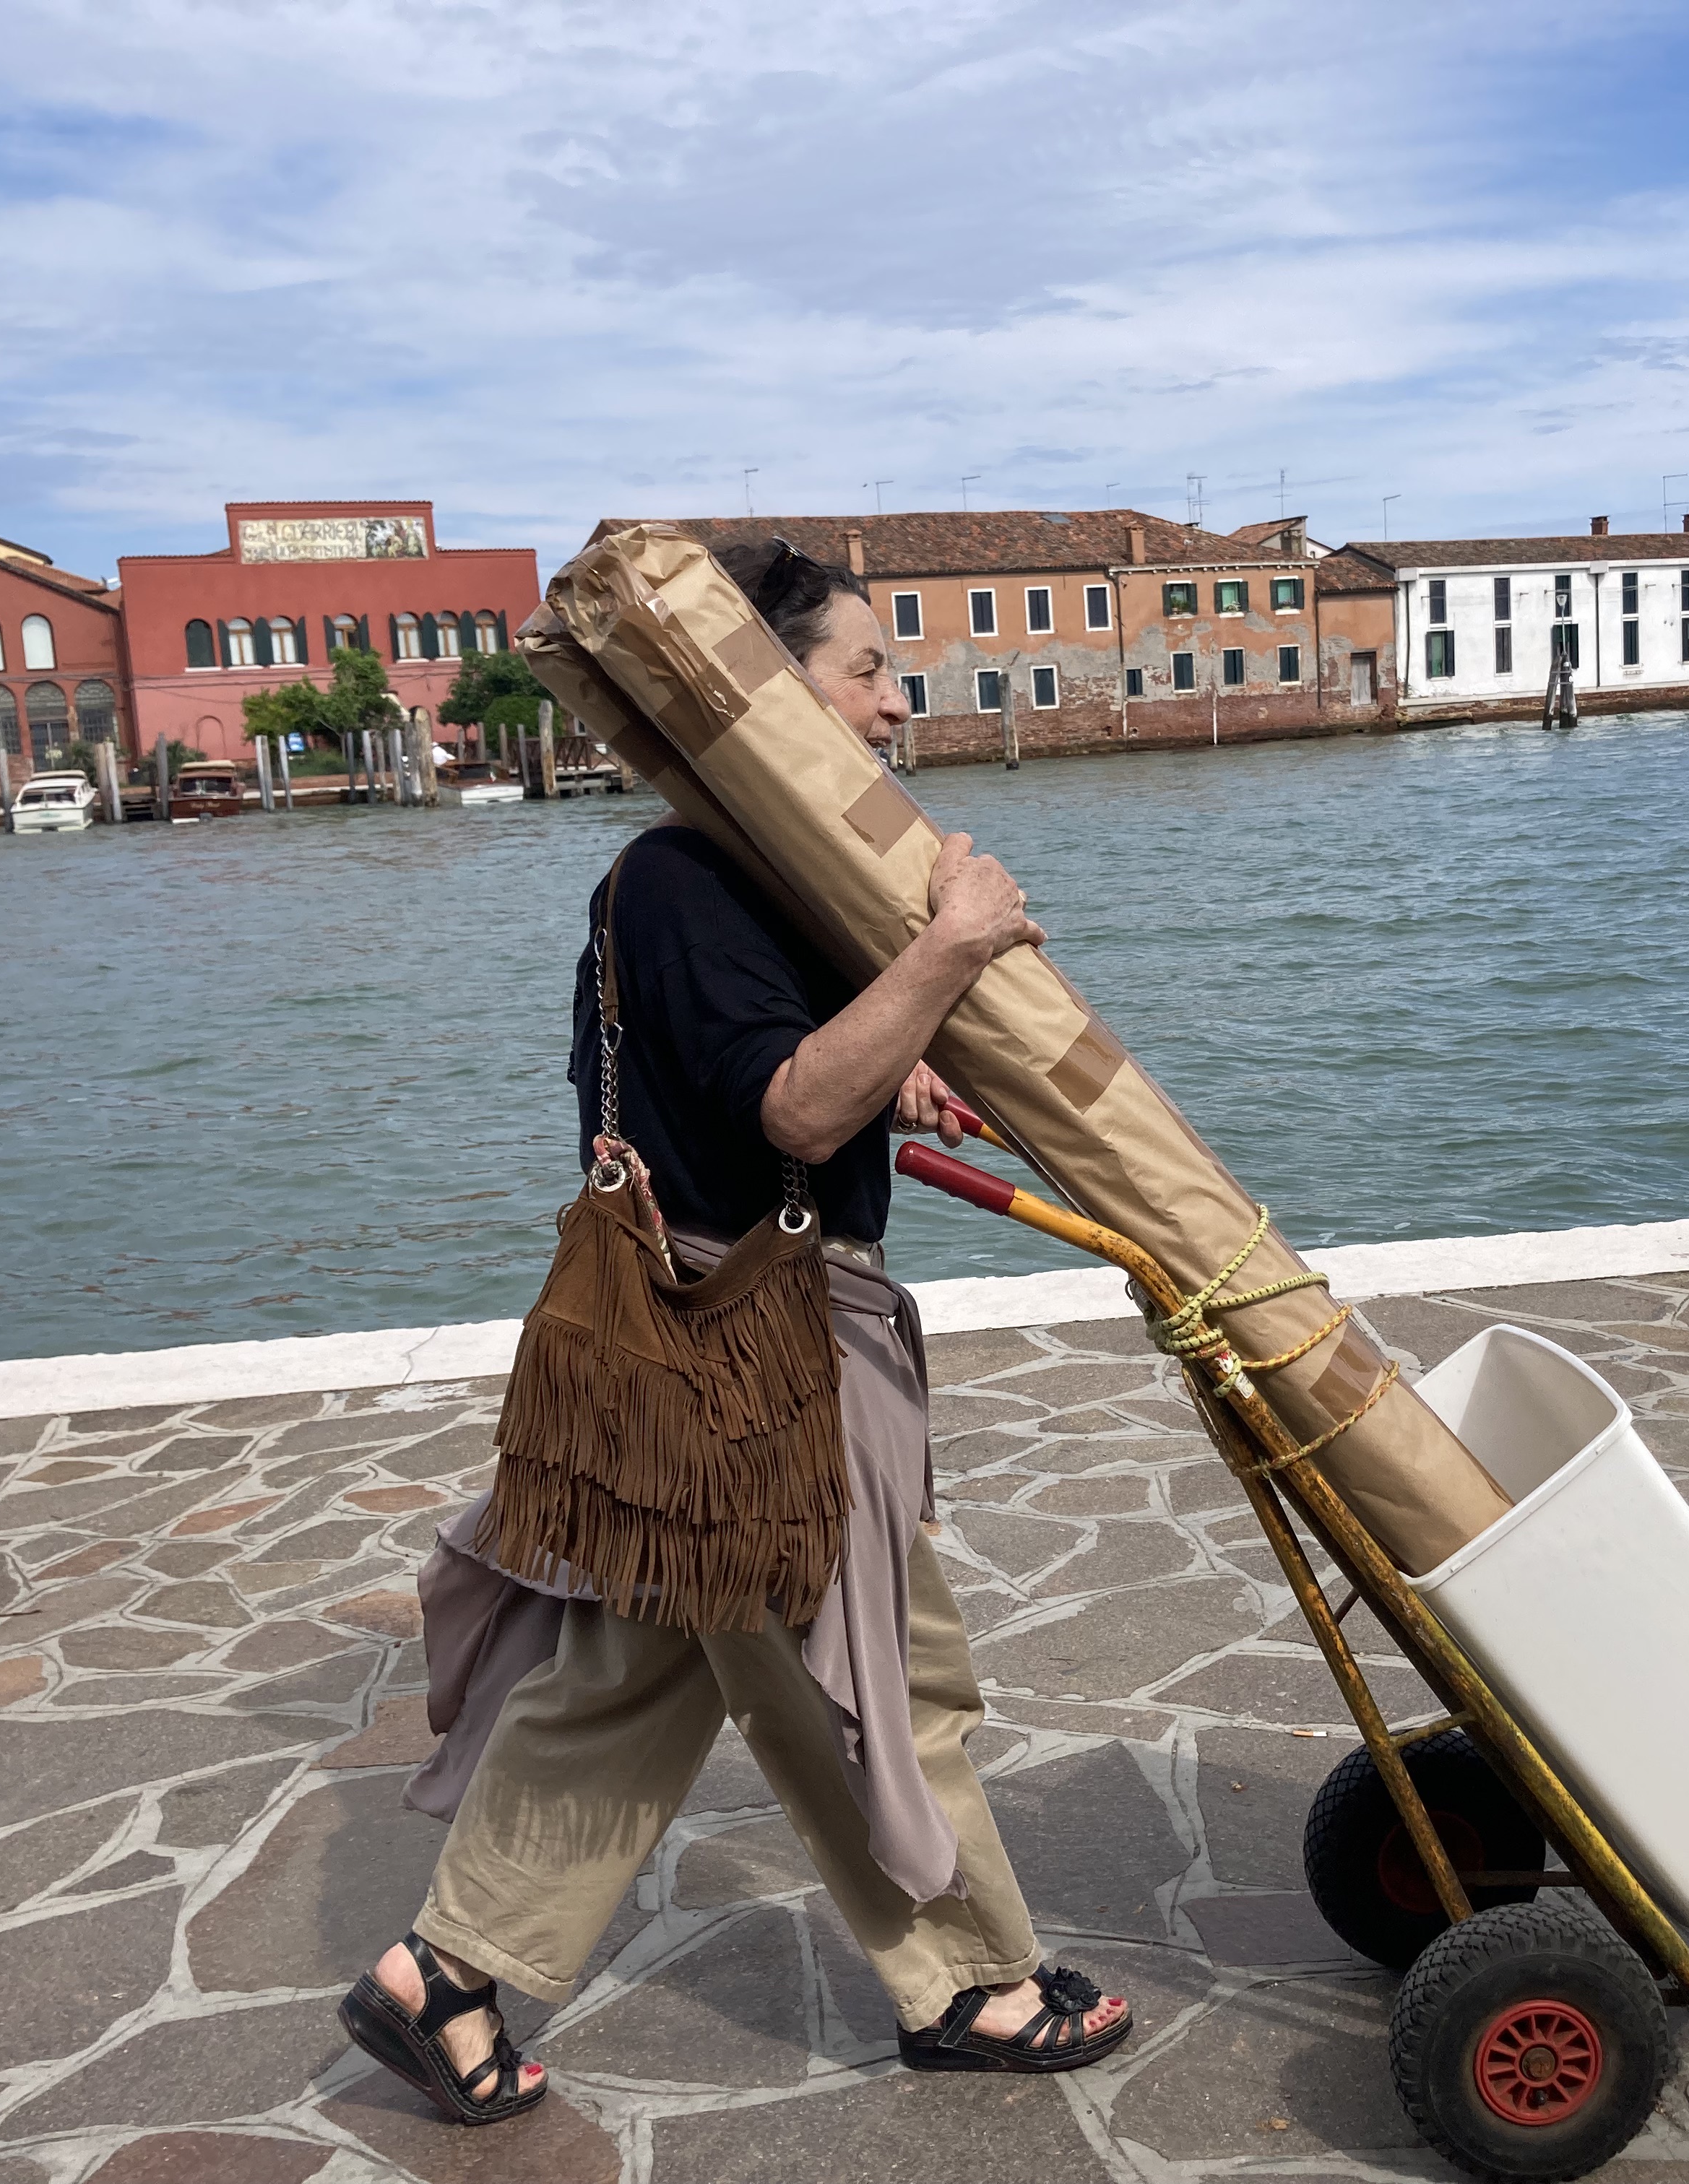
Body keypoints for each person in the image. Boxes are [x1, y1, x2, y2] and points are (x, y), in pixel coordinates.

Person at [339, 540, 1131, 2125]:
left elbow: (756, 1079)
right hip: (755, 1361)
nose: (896, 706)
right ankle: (969, 1983)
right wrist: (952, 947)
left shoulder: (738, 877)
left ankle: (445, 1975)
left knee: (628, 1681)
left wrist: (898, 1057)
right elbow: (790, 1105)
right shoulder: (686, 880)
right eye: (867, 672)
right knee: (883, 1678)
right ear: (771, 692)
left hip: (699, 1350)